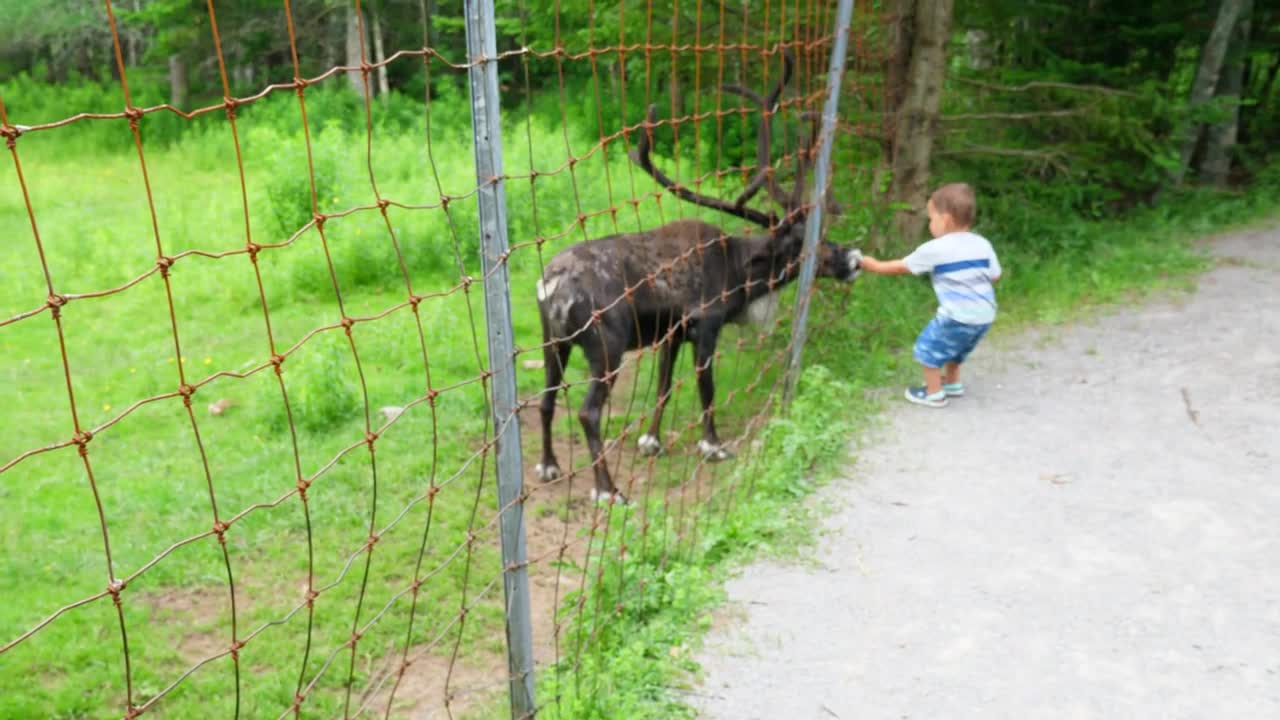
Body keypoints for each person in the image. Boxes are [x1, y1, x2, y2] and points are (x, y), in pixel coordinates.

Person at [859, 182, 1002, 408]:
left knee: (927, 348)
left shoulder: (937, 248)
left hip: (956, 315)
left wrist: (873, 265)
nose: (930, 224)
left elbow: (901, 267)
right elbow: (995, 275)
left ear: (944, 220)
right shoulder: (982, 243)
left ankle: (933, 393)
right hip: (985, 315)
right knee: (958, 347)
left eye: (931, 218)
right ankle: (953, 383)